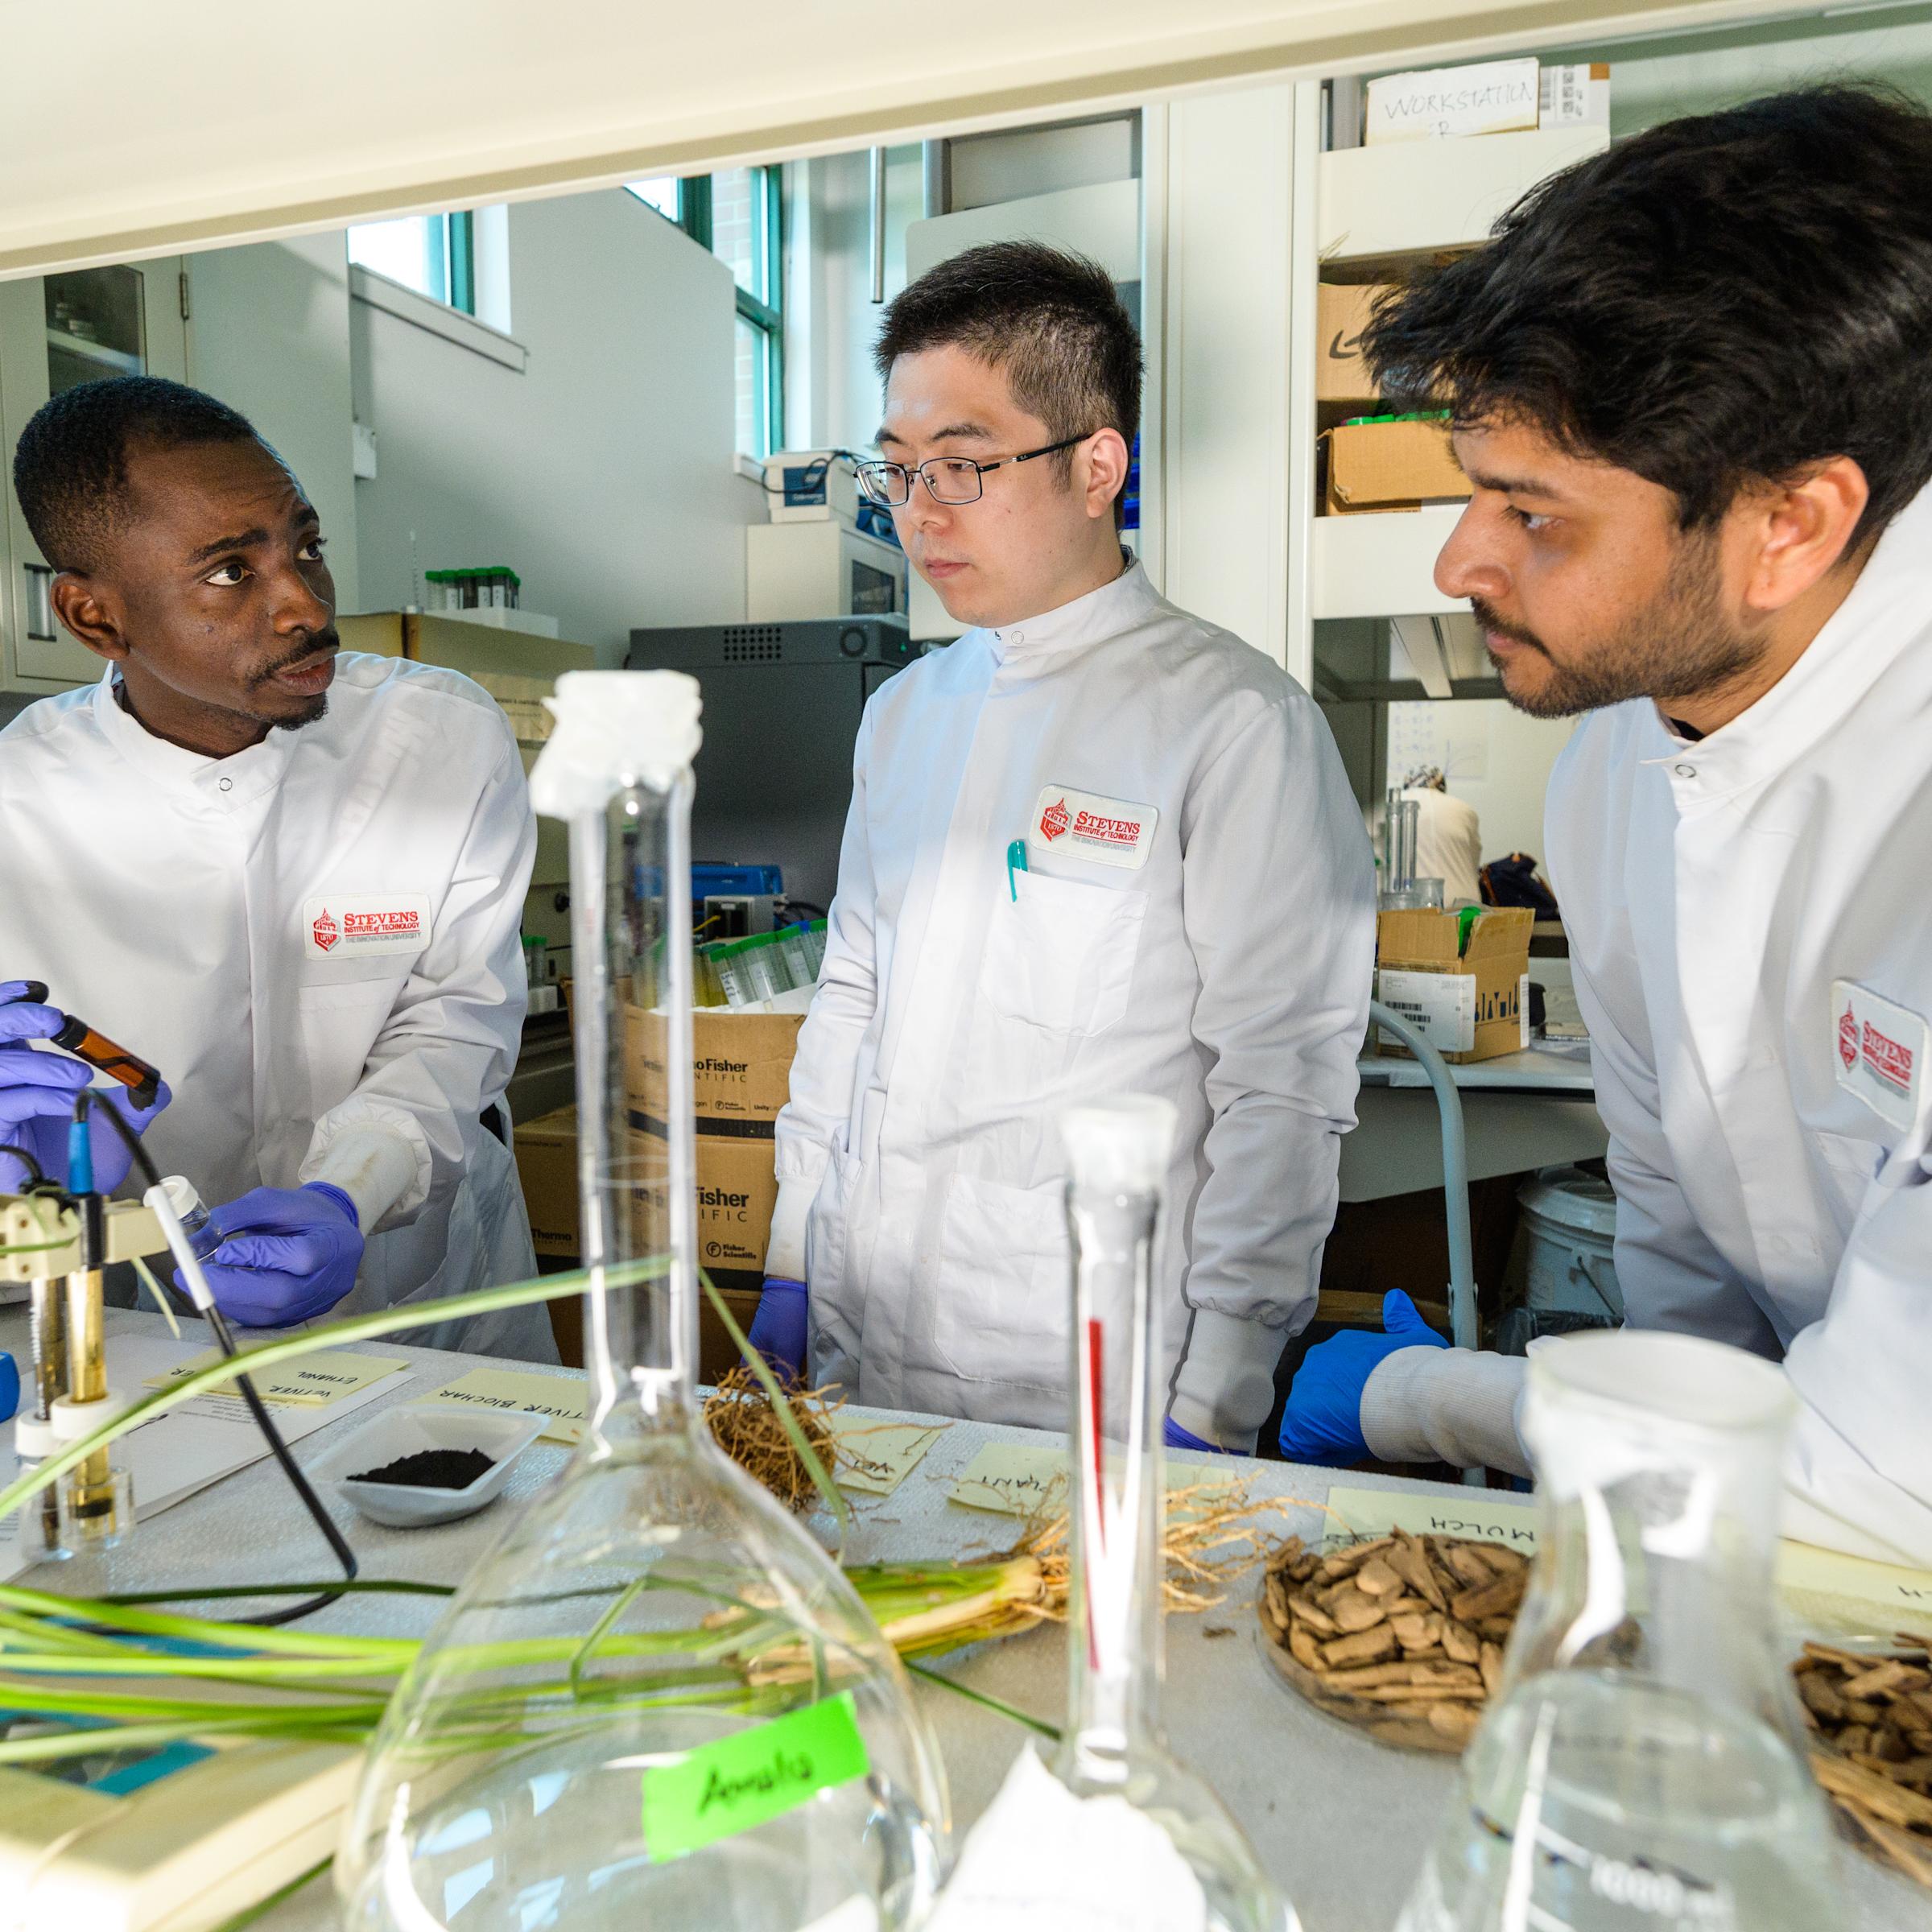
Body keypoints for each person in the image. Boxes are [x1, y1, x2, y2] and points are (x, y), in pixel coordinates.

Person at [1278, 85, 1932, 1565]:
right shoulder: (1617, 762)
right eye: (1468, 492)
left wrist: (1435, 1398)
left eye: (1535, 514)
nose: (1458, 559)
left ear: (1795, 524)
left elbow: (1876, 1483)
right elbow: (1678, 1244)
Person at [753, 242, 1375, 1451]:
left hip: (1088, 1363)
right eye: (897, 470)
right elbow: (853, 995)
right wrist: (790, 1262)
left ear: (1097, 466)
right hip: (864, 1326)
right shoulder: (902, 714)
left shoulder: (1233, 722)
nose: (919, 511)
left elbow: (1282, 1084)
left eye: (965, 466)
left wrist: (1224, 1385)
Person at [0, 376, 549, 1357]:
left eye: (305, 547)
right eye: (229, 573)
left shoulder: (440, 736)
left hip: (419, 1289)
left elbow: (456, 1018)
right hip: (149, 1327)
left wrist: (351, 1192)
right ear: (94, 619)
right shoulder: (17, 805)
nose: (304, 602)